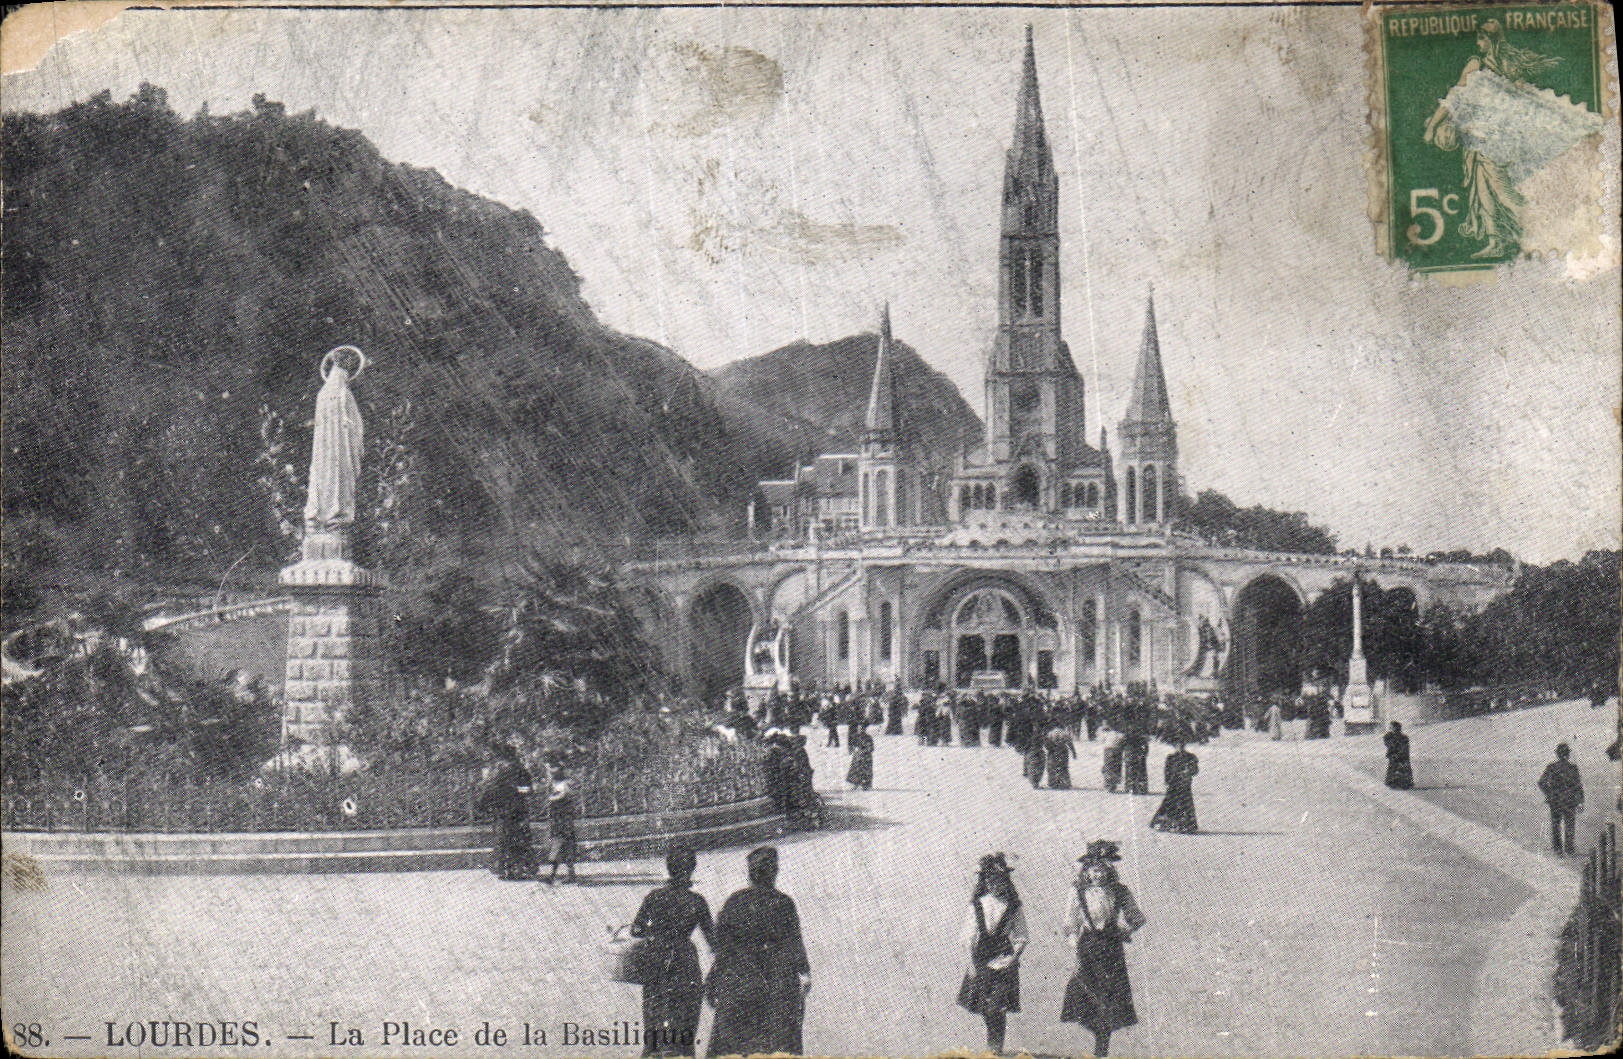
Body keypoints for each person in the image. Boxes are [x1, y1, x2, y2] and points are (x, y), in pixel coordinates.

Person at [705, 846, 811, 1058]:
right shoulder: (784, 903)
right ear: (774, 873)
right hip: (777, 984)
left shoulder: (735, 901)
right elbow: (794, 943)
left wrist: (712, 980)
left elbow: (722, 949)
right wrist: (805, 973)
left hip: (739, 981)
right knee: (775, 1047)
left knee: (733, 1048)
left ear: (750, 873)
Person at [1061, 841, 1145, 1057]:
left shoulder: (1120, 891)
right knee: (1087, 999)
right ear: (1087, 870)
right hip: (1087, 948)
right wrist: (1074, 945)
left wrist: (1122, 930)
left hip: (1111, 949)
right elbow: (1070, 924)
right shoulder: (1077, 891)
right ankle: (1097, 1038)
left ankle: (1102, 1049)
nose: (1098, 875)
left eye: (1103, 870)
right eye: (1094, 870)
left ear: (1110, 870)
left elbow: (1137, 918)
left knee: (1109, 1001)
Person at [631, 845, 714, 1057]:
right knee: (686, 1032)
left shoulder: (654, 897)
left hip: (657, 959)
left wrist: (656, 931)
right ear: (692, 869)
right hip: (685, 960)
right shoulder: (697, 901)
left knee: (653, 1028)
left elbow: (636, 929)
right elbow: (714, 941)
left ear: (669, 868)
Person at [956, 853, 1028, 1055]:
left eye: (1001, 880)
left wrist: (1014, 958)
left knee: (997, 1006)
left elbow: (1021, 936)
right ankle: (994, 1045)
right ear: (985, 882)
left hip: (1004, 960)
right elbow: (968, 937)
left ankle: (995, 1049)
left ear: (1007, 881)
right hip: (981, 960)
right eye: (991, 881)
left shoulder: (1014, 906)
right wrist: (971, 964)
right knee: (986, 1007)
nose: (996, 884)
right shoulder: (978, 905)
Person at [475, 744, 536, 881]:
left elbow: (488, 789)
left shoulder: (498, 771)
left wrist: (483, 805)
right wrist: (518, 791)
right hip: (518, 809)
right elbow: (530, 790)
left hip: (503, 810)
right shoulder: (521, 770)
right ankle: (520, 868)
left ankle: (505, 870)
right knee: (520, 838)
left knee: (504, 838)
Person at [1537, 743, 1584, 855]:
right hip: (1570, 801)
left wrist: (1549, 794)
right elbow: (1578, 786)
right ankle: (1569, 849)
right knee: (1569, 826)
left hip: (1555, 801)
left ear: (1557, 754)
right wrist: (1580, 802)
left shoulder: (1551, 767)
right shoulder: (1573, 768)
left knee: (1556, 825)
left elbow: (1541, 782)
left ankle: (1558, 850)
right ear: (1568, 754)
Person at [1149, 744, 1199, 833]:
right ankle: (1165, 823)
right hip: (1173, 784)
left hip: (1185, 785)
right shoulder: (1171, 757)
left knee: (1185, 803)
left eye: (1181, 745)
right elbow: (1167, 770)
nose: (1180, 748)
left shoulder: (1190, 757)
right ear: (1175, 746)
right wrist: (1167, 781)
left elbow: (1195, 771)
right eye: (1178, 745)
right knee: (1169, 803)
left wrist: (1189, 770)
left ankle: (1185, 825)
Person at [544, 766, 579, 884]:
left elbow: (559, 798)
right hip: (561, 822)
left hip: (561, 823)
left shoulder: (563, 787)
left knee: (559, 848)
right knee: (561, 848)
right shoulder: (559, 786)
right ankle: (563, 874)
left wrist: (550, 798)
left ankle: (555, 875)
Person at [1044, 723, 1077, 790]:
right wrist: (1074, 753)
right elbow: (1070, 744)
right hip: (1063, 751)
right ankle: (1065, 783)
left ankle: (1052, 783)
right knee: (1063, 768)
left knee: (1051, 768)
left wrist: (1050, 749)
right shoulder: (1065, 733)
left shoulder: (1050, 733)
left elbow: (1046, 743)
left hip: (1053, 752)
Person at [1383, 722, 1414, 790]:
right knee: (1393, 769)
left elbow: (1405, 747)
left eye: (1394, 727)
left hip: (1402, 755)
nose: (1393, 729)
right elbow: (1388, 744)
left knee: (1403, 769)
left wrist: (1400, 753)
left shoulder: (1404, 737)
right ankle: (1392, 783)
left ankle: (1405, 784)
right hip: (1393, 755)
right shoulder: (1388, 736)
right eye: (1392, 727)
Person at [846, 725, 875, 790]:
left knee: (866, 770)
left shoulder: (868, 737)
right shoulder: (856, 737)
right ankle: (855, 783)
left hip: (866, 756)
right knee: (856, 770)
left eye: (863, 728)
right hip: (858, 756)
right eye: (860, 729)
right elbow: (853, 746)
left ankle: (866, 785)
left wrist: (865, 750)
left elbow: (871, 748)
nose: (861, 730)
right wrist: (855, 750)